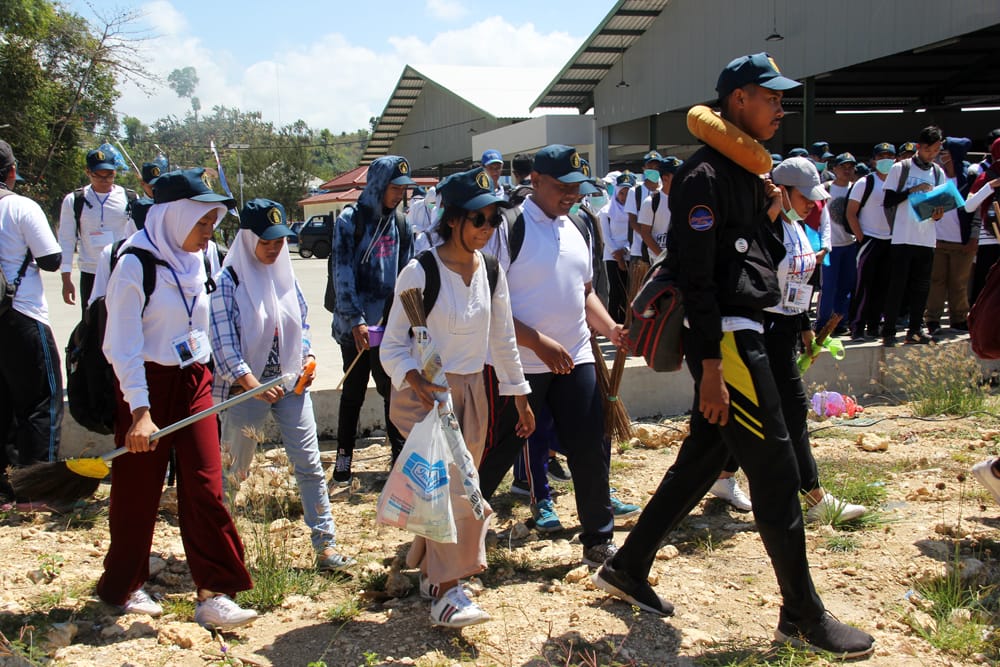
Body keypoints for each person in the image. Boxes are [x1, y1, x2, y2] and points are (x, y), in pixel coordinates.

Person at [592, 53, 875, 659]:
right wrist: (714, 371)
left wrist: (772, 211)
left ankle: (629, 564)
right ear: (738, 99)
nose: (780, 107)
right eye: (770, 97)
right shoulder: (704, 176)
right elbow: (698, 278)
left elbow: (757, 260)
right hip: (730, 342)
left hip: (759, 336)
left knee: (705, 454)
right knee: (774, 472)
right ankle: (802, 615)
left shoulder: (748, 173)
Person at [100, 168, 257, 630]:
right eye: (201, 223)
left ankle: (215, 591)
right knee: (138, 491)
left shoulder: (202, 258)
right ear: (172, 216)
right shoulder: (135, 265)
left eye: (213, 224)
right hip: (144, 386)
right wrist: (140, 413)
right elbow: (120, 346)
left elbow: (201, 323)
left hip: (194, 380)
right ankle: (124, 584)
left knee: (207, 484)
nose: (208, 234)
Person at [380, 167, 534, 627]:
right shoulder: (420, 270)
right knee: (455, 489)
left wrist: (519, 395)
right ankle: (449, 593)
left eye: (493, 221)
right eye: (478, 220)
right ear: (452, 220)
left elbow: (502, 337)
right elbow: (390, 343)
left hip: (473, 394)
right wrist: (413, 378)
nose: (487, 230)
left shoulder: (491, 270)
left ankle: (431, 570)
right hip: (424, 399)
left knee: (453, 486)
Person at [477, 144, 627, 568]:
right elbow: (488, 301)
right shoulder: (508, 226)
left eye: (577, 187)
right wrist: (537, 341)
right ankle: (463, 533)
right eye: (562, 187)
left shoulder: (578, 224)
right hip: (518, 364)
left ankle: (599, 537)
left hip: (575, 356)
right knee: (500, 450)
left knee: (590, 445)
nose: (572, 195)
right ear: (536, 180)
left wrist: (611, 328)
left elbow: (585, 292)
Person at [210, 198, 354, 572]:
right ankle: (220, 549)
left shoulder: (285, 275)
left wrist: (305, 356)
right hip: (246, 391)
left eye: (280, 240)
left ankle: (325, 545)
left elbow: (300, 324)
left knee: (309, 465)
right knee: (234, 471)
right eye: (267, 241)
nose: (275, 248)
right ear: (246, 239)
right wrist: (253, 383)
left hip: (291, 386)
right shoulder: (230, 282)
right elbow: (223, 345)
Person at [330, 155, 415, 482]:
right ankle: (343, 459)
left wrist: (406, 321)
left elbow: (409, 274)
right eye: (394, 188)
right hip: (356, 327)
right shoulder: (350, 221)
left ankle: (398, 459)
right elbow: (343, 272)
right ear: (379, 185)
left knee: (393, 391)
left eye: (403, 189)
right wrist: (355, 320)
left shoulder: (402, 224)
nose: (398, 195)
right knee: (352, 391)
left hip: (389, 327)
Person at [0, 140, 64, 497]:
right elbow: (51, 259)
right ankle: (39, 490)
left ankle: (5, 486)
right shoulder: (20, 207)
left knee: (3, 403)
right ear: (11, 172)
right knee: (41, 400)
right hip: (21, 313)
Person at [881, 126, 946, 347]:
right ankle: (888, 330)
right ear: (919, 147)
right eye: (929, 150)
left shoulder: (938, 172)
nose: (932, 154)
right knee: (897, 285)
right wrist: (912, 190)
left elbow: (942, 202)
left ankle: (915, 330)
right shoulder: (902, 168)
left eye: (936, 150)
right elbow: (888, 200)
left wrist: (938, 213)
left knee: (922, 287)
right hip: (902, 236)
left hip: (927, 237)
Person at [58, 147, 136, 315]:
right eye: (98, 175)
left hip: (120, 270)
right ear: (88, 172)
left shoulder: (129, 199)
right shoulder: (74, 200)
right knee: (92, 324)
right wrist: (66, 277)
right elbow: (66, 239)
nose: (104, 180)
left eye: (109, 175)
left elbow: (136, 237)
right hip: (90, 272)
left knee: (121, 320)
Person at [924, 136, 976, 334]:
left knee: (958, 283)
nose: (939, 156)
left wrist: (974, 237)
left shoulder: (970, 178)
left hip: (961, 242)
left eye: (943, 153)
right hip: (936, 240)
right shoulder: (935, 175)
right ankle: (932, 319)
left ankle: (959, 318)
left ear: (954, 156)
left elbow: (976, 210)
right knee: (936, 281)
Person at [847, 142, 897, 341]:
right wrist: (861, 237)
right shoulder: (865, 182)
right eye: (881, 156)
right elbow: (851, 213)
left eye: (890, 156)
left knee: (883, 286)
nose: (886, 160)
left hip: (891, 240)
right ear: (874, 160)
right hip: (870, 239)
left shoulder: (898, 183)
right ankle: (857, 326)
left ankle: (874, 326)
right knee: (863, 286)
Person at [816, 153, 857, 335]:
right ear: (834, 169)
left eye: (851, 167)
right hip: (830, 247)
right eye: (843, 166)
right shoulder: (825, 189)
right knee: (828, 287)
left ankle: (840, 323)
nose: (847, 170)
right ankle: (822, 324)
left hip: (850, 245)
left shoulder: (857, 188)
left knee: (846, 286)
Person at [965, 137, 1000, 304]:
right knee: (984, 286)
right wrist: (990, 186)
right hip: (989, 238)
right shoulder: (985, 177)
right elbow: (969, 206)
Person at [598, 171, 636, 323]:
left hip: (630, 253)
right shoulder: (606, 211)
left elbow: (635, 232)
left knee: (629, 289)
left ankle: (627, 320)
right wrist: (618, 256)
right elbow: (606, 236)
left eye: (628, 193)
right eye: (621, 192)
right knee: (615, 289)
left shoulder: (635, 212)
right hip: (612, 255)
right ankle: (614, 322)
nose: (624, 197)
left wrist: (625, 250)